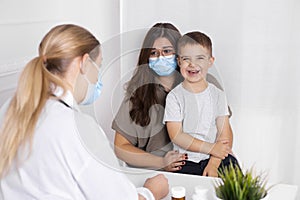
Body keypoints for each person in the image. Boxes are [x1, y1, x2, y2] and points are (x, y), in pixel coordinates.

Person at [0, 24, 169, 200]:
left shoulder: (10, 109)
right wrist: (151, 192)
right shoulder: (77, 128)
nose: (98, 78)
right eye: (98, 67)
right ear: (84, 63)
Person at [112, 23, 188, 172]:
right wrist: (161, 162)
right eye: (153, 53)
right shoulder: (138, 97)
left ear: (180, 54)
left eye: (167, 51)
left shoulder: (200, 86)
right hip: (156, 176)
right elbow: (120, 147)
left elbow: (221, 131)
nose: (160, 57)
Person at [163, 31, 239, 177]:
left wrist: (214, 162)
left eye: (200, 58)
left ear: (210, 61)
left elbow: (225, 133)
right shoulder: (174, 97)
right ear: (179, 62)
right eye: (186, 59)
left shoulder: (218, 95)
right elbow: (177, 135)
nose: (193, 64)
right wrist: (211, 148)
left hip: (215, 158)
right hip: (186, 160)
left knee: (236, 186)